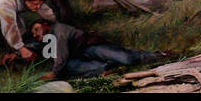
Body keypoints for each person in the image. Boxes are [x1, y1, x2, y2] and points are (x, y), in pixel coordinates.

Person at [24, 19, 158, 79]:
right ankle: (108, 68)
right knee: (69, 67)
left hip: (89, 47)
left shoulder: (59, 31)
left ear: (46, 25)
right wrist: (19, 51)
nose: (36, 35)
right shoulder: (47, 39)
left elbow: (61, 55)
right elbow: (36, 46)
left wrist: (53, 73)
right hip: (78, 56)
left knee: (126, 58)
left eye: (37, 30)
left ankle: (156, 56)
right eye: (34, 34)